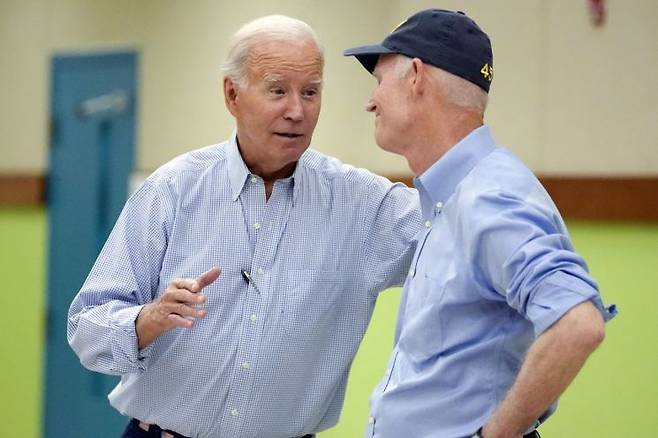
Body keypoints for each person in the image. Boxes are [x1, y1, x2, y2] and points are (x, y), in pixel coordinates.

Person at [68, 15, 421, 438]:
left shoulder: (363, 205)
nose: (297, 111)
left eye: (310, 92)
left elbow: (463, 238)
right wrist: (149, 318)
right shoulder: (173, 189)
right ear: (232, 95)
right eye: (278, 91)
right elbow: (85, 328)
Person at [344, 8, 617, 438]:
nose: (370, 101)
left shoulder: (490, 197)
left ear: (416, 76)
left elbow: (578, 323)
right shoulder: (452, 197)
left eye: (380, 81)